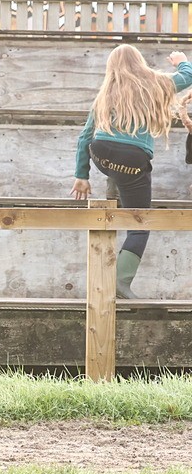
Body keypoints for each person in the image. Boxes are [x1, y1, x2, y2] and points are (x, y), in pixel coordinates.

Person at [71, 44, 192, 297]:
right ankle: (120, 282)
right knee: (140, 225)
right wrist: (181, 61)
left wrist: (81, 176)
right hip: (133, 160)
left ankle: (113, 189)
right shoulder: (155, 84)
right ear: (140, 63)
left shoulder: (105, 95)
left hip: (101, 154)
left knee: (117, 169)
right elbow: (188, 76)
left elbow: (84, 138)